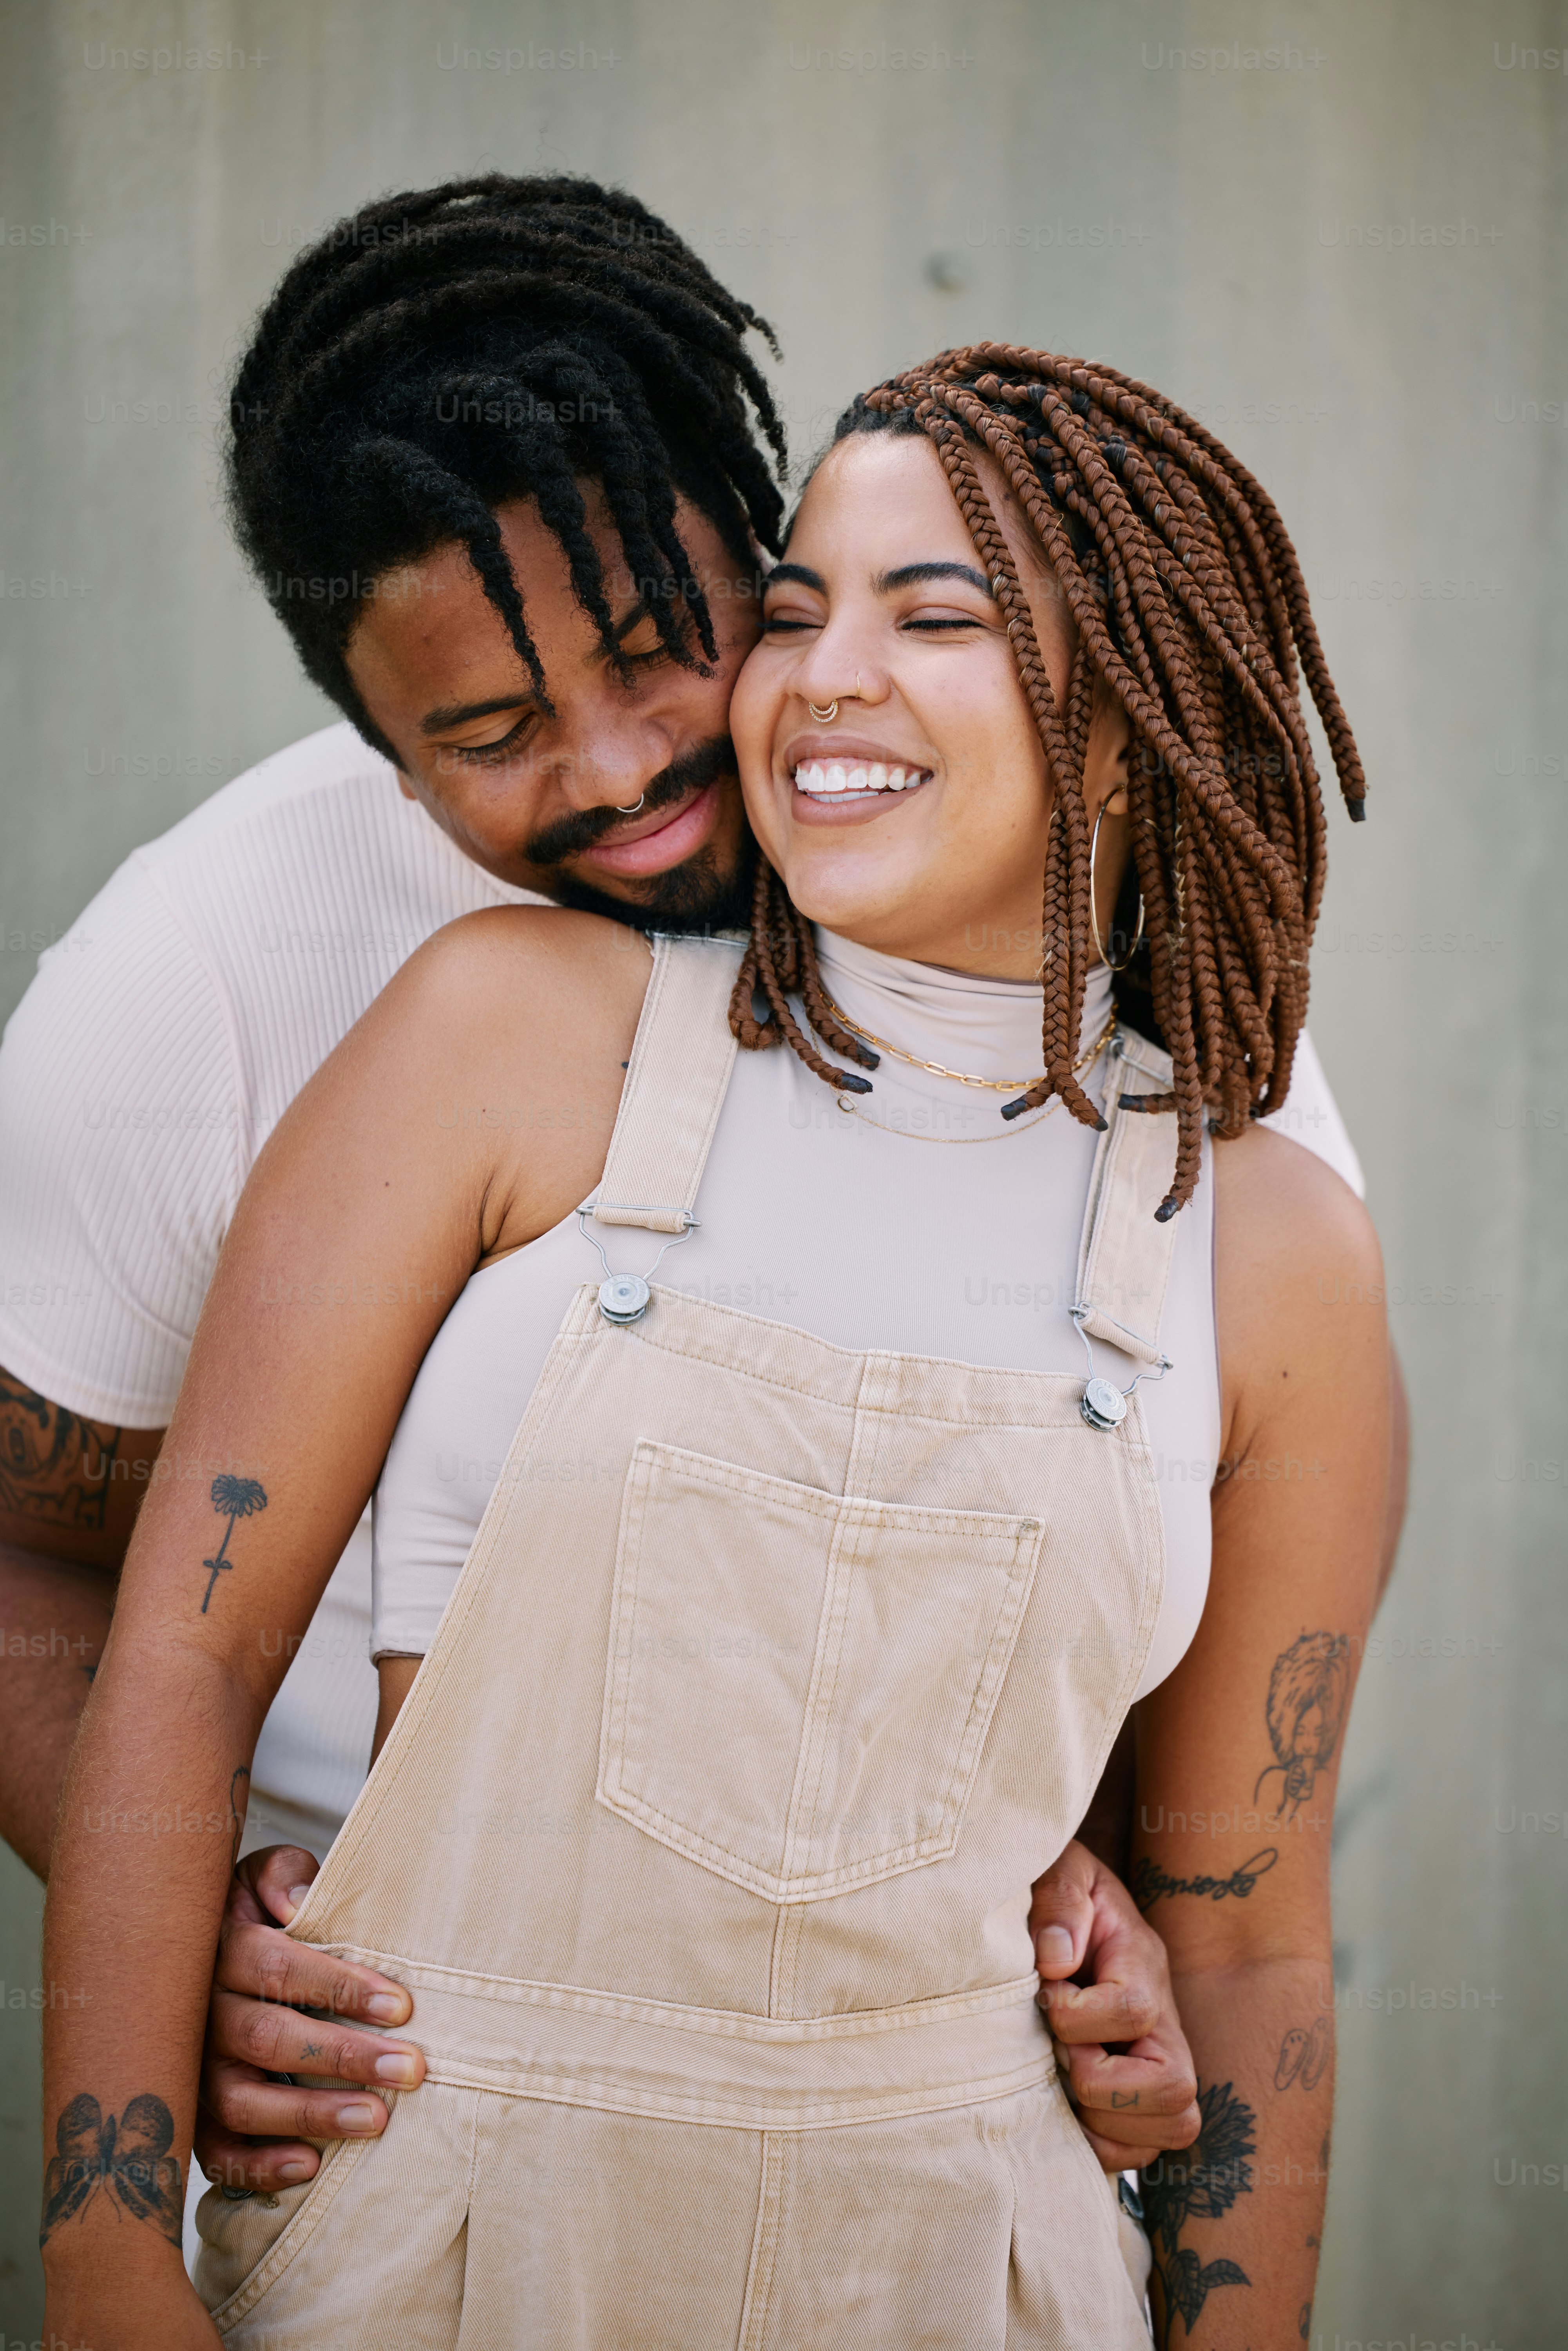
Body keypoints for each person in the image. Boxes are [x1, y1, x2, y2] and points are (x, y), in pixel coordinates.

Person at [0, 176, 1353, 2204]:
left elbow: (1188, 1676)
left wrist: (1113, 1922)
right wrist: (183, 1946)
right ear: (373, 743)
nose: (629, 764)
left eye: (667, 645)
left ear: (771, 543)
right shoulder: (197, 986)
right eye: (489, 730)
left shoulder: (1128, 1019)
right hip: (394, 2090)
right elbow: (29, 1560)